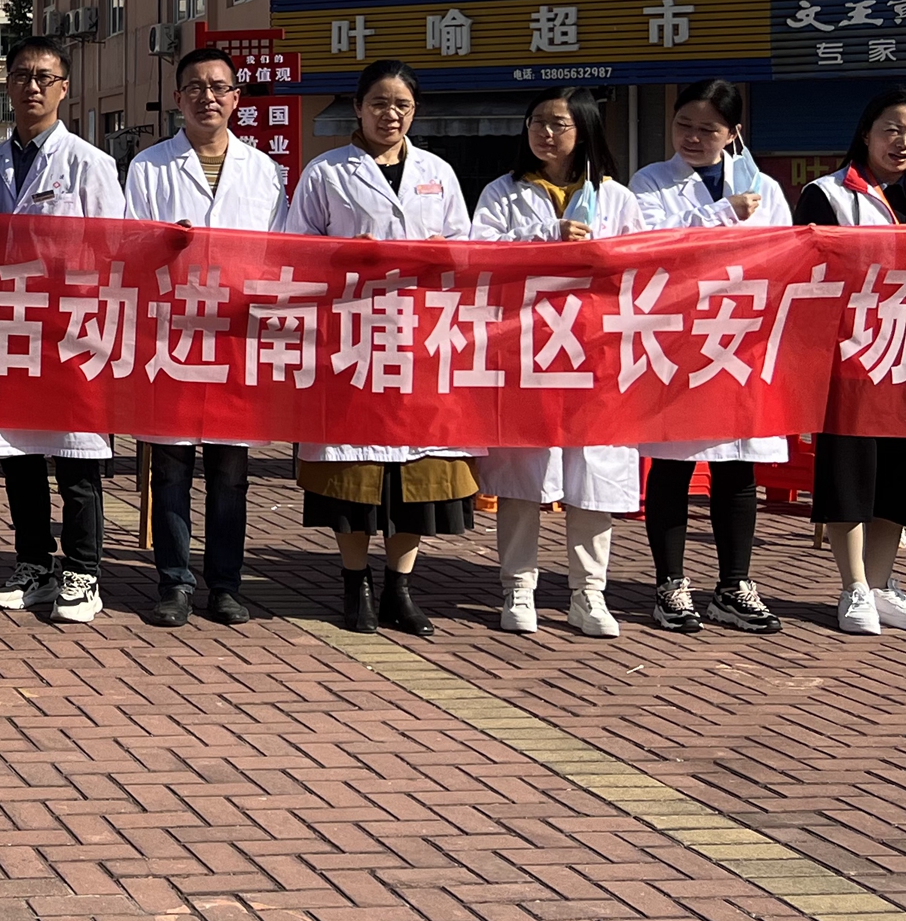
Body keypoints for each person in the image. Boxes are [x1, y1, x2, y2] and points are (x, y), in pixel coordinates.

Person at [279, 57, 476, 635]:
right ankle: (354, 584)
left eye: (402, 106)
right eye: (380, 103)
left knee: (417, 476)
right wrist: (344, 254)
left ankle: (400, 587)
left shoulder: (438, 171)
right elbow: (297, 248)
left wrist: (442, 250)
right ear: (358, 107)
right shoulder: (325, 172)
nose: (391, 115)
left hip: (420, 340)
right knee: (356, 473)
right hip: (354, 338)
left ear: (415, 112)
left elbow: (467, 248)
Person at [122, 44, 289, 627]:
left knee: (230, 470)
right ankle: (173, 582)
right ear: (177, 98)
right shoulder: (149, 166)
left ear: (236, 98)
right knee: (169, 466)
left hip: (235, 337)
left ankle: (225, 584)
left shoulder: (264, 171)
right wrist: (162, 243)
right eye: (195, 87)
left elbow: (278, 253)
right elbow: (130, 243)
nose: (207, 97)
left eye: (219, 87)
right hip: (172, 334)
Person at [471, 91, 641, 640]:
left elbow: (640, 267)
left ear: (584, 129)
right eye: (537, 122)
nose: (546, 133)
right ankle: (517, 587)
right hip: (527, 351)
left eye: (559, 123)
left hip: (596, 356)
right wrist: (545, 239)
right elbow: (481, 257)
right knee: (522, 472)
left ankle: (588, 592)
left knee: (593, 474)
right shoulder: (503, 192)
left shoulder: (616, 197)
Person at [627, 82, 787, 634]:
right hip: (677, 341)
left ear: (733, 133)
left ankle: (734, 585)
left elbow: (783, 254)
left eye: (708, 129)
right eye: (684, 126)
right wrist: (721, 215)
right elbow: (650, 248)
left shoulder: (763, 187)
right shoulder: (650, 181)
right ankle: (670, 585)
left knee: (737, 464)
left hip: (740, 339)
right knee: (672, 462)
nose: (692, 138)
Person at [0, 37, 125, 626]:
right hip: (14, 329)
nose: (32, 86)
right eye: (21, 75)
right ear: (8, 86)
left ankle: (83, 572)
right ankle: (34, 564)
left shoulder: (89, 163)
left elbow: (112, 250)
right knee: (21, 456)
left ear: (64, 88)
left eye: (44, 77)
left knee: (76, 459)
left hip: (74, 331)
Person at [796, 85, 906, 637]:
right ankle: (854, 587)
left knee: (899, 476)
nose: (904, 142)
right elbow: (811, 272)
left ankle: (883, 585)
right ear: (866, 133)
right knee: (850, 473)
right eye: (892, 129)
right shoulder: (828, 194)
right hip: (851, 354)